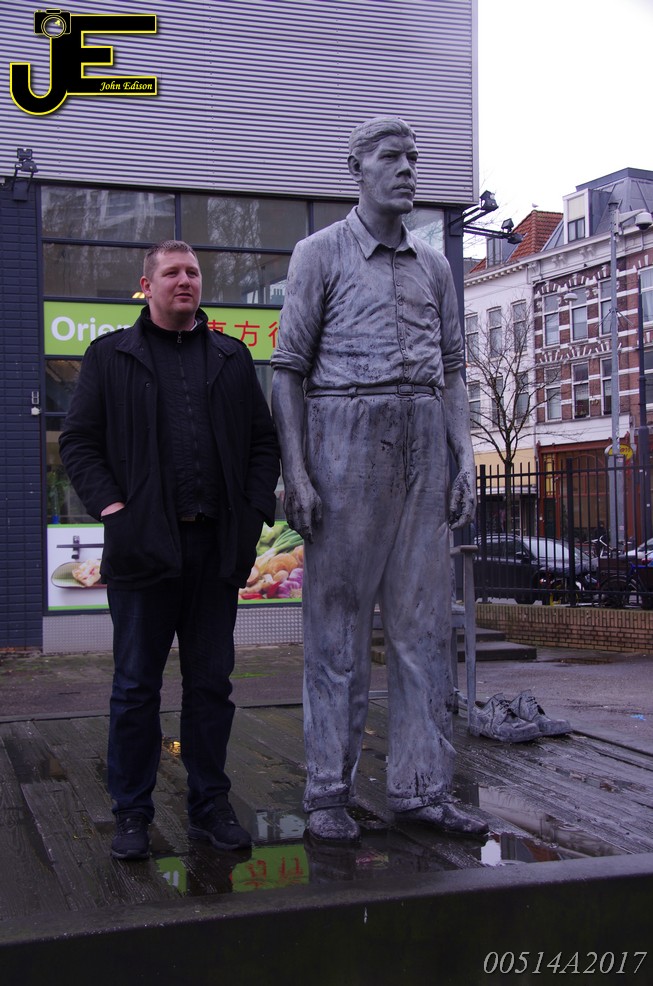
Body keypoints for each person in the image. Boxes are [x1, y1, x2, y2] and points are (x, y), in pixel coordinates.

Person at [271, 117, 488, 843]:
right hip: (344, 436)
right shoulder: (319, 254)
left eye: (413, 158)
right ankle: (328, 789)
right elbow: (287, 372)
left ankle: (422, 787)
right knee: (336, 627)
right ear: (356, 168)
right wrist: (297, 470)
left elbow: (453, 370)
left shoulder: (434, 266)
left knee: (424, 628)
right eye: (391, 157)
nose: (407, 169)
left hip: (423, 440)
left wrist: (463, 457)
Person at [60, 240, 280, 859]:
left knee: (211, 686)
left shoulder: (231, 357)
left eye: (193, 272)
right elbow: (78, 441)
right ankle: (132, 813)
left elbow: (263, 443)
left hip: (216, 551)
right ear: (147, 285)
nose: (186, 281)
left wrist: (253, 512)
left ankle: (210, 805)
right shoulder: (111, 357)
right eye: (173, 273)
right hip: (143, 550)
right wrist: (114, 511)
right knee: (136, 688)